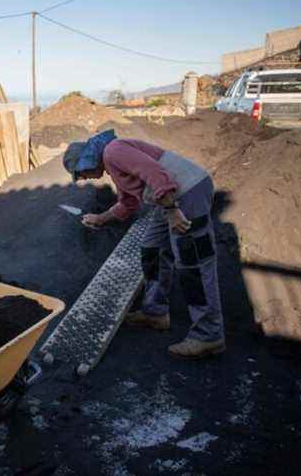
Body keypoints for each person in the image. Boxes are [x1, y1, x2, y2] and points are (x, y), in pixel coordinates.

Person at [62, 130, 225, 359]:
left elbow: (155, 173)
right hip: (171, 198)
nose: (84, 178)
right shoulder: (113, 164)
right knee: (152, 248)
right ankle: (155, 312)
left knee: (193, 263)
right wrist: (101, 219)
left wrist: (172, 210)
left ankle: (209, 335)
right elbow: (128, 203)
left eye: (81, 173)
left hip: (187, 193)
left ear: (86, 160)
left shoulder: (114, 151)